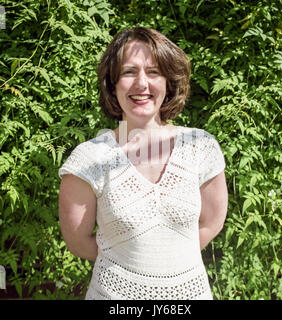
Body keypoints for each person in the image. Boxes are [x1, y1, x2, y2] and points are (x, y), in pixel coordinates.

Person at [58, 27, 228, 300]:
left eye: (154, 72)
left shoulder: (201, 147)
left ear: (168, 82)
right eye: (128, 72)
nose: (141, 84)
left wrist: (168, 263)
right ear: (112, 83)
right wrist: (132, 267)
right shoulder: (88, 160)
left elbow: (211, 223)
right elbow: (80, 243)